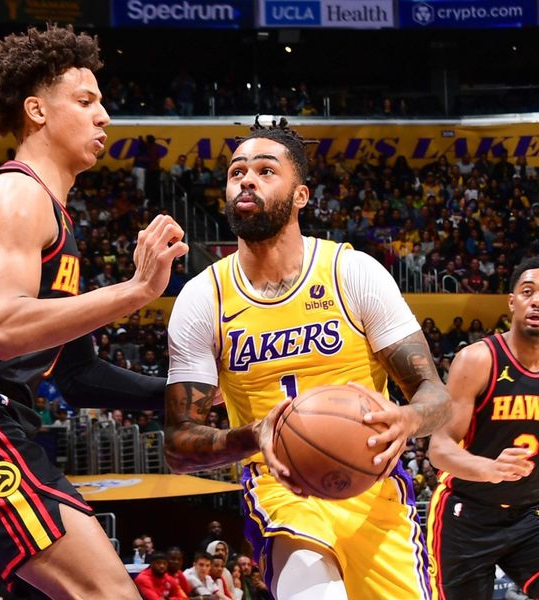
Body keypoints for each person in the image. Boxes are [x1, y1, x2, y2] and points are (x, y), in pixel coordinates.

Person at [0, 24, 187, 600]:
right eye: (85, 101)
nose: (104, 116)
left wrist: (187, 391)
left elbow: (79, 378)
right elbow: (4, 330)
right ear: (36, 110)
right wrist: (135, 291)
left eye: (101, 102)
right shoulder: (19, 194)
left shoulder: (57, 219)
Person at [163, 118, 450, 599]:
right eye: (237, 172)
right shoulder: (202, 298)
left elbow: (435, 395)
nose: (246, 180)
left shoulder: (352, 272)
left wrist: (408, 418)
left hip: (375, 489)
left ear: (302, 195)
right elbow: (177, 443)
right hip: (282, 491)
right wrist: (254, 435)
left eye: (265, 170)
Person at [427, 257, 539, 599]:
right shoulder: (476, 360)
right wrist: (487, 468)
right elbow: (438, 448)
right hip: (465, 516)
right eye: (527, 291)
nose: (537, 300)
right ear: (512, 301)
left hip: (529, 518)